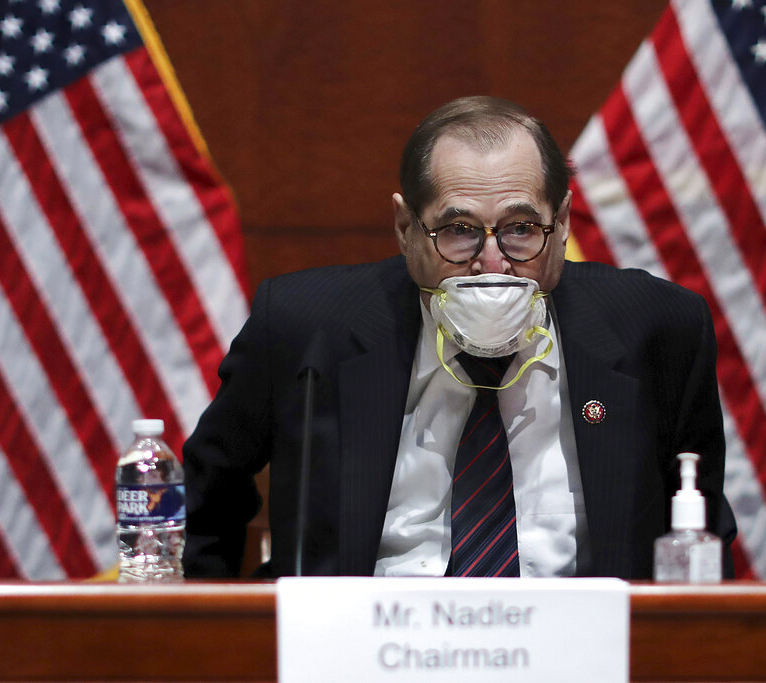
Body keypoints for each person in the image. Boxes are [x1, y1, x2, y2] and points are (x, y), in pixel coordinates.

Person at [183, 96, 736, 579]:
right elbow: (207, 500)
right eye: (460, 230)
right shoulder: (304, 327)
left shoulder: (658, 329)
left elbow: (702, 527)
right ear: (405, 229)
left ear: (562, 224)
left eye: (521, 229)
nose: (491, 263)